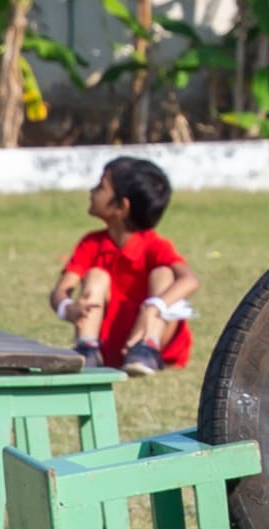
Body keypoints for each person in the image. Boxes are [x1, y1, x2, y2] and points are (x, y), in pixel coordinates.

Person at [51, 157, 200, 376]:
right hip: (109, 342)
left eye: (101, 187)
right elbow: (61, 290)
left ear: (122, 206)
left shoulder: (155, 246)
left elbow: (189, 280)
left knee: (164, 274)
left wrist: (153, 307)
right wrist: (66, 307)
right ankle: (88, 348)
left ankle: (147, 347)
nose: (92, 191)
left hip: (152, 331)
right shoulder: (91, 244)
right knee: (96, 275)